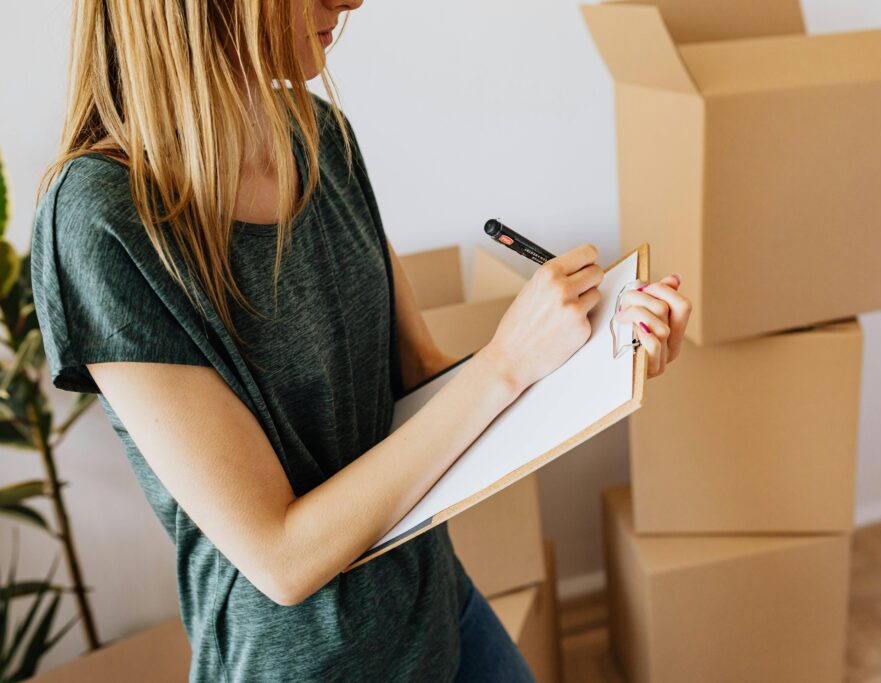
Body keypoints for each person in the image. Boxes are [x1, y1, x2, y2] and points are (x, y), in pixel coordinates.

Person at [31, 1, 691, 680]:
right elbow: (280, 557)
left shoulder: (322, 136)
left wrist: (595, 353)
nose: (351, 1)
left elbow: (425, 381)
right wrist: (504, 361)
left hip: (438, 608)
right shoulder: (101, 222)